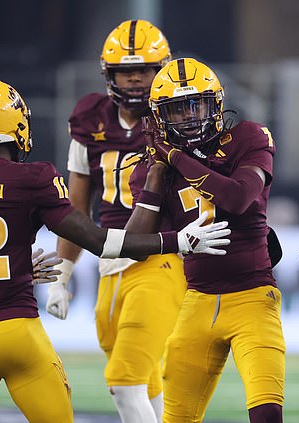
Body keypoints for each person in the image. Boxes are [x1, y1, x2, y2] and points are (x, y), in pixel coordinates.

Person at [0, 78, 231, 423]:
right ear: (15, 124)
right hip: (20, 338)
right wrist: (177, 241)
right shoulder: (32, 178)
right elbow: (99, 242)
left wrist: (6, 267)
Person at [126, 57, 285, 423]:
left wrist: (177, 158)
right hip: (196, 301)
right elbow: (136, 247)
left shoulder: (247, 137)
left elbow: (238, 198)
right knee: (177, 418)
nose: (189, 116)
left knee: (267, 414)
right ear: (160, 117)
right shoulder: (156, 165)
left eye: (196, 104)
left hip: (253, 298)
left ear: (216, 104)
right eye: (177, 110)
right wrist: (154, 180)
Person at [49, 19, 187, 422]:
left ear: (161, 70)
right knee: (143, 383)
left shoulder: (178, 119)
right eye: (126, 72)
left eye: (143, 71)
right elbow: (76, 205)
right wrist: (63, 273)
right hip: (109, 260)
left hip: (163, 256)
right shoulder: (90, 118)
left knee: (123, 380)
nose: (134, 81)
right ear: (109, 74)